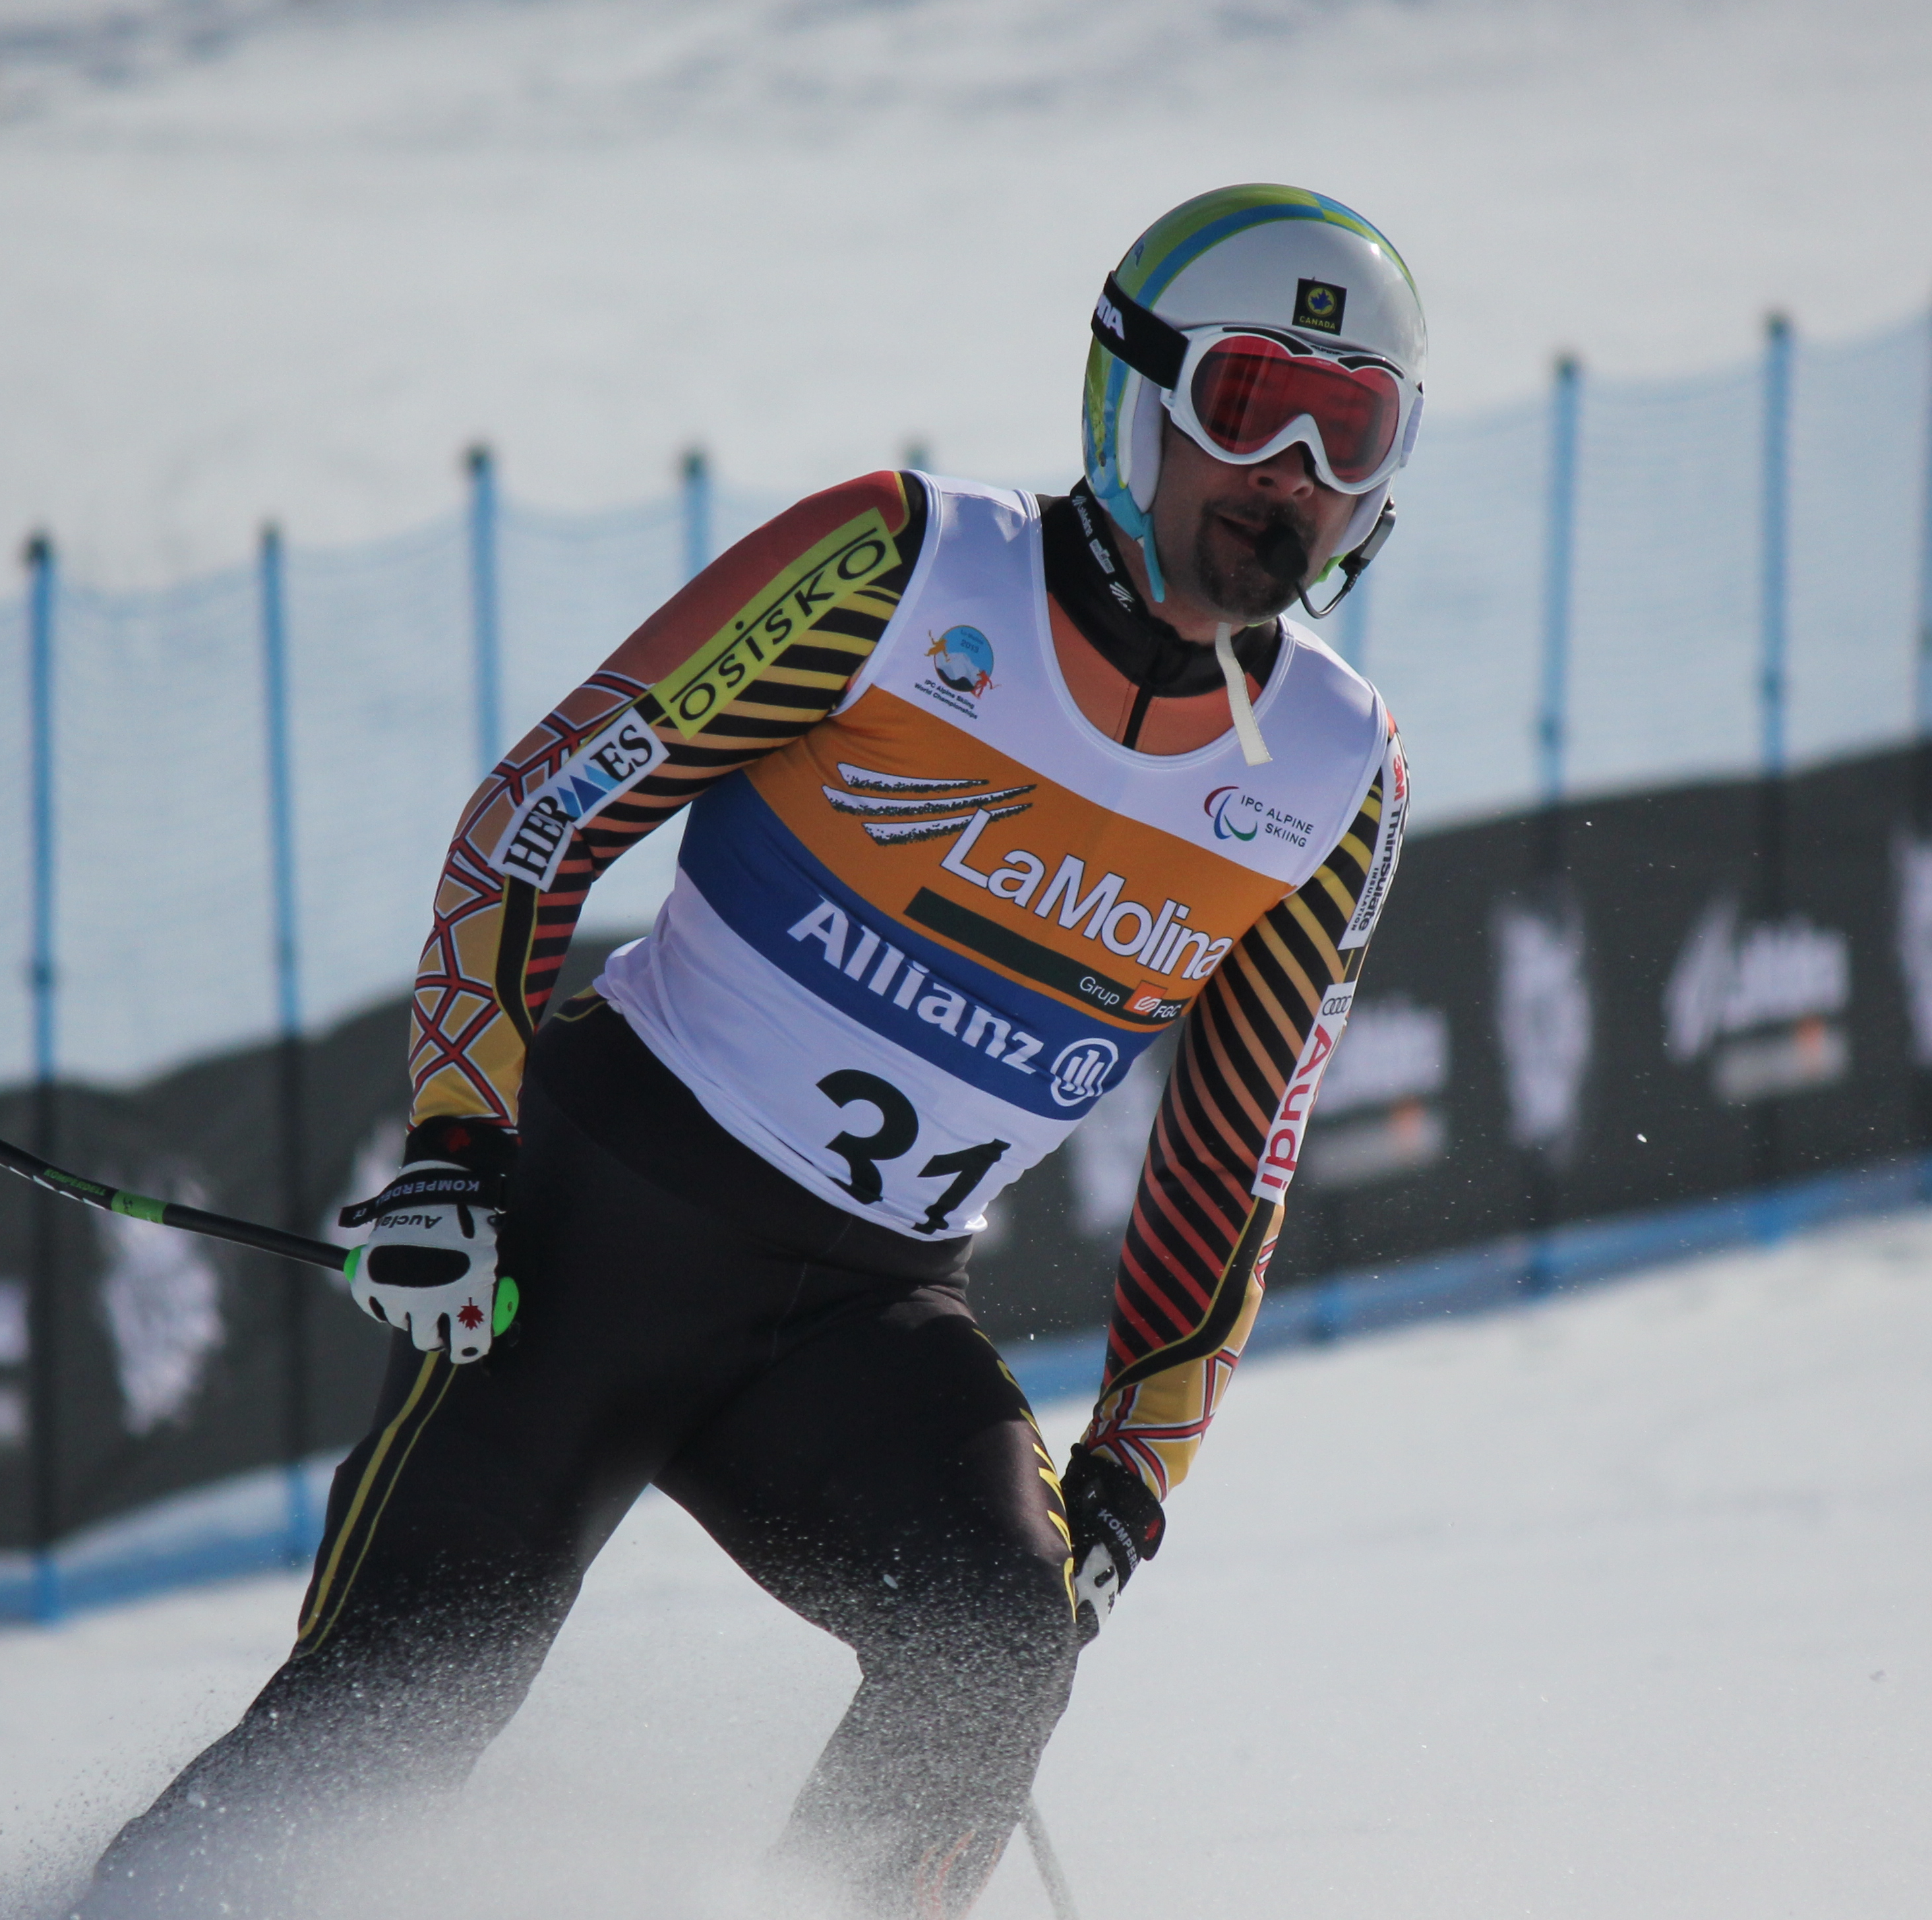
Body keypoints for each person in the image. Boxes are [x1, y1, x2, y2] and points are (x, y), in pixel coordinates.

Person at [81, 182, 1424, 1919]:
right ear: (1136, 397)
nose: (1291, 475)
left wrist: (1126, 1485)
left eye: (1351, 432)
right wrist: (455, 1155)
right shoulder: (898, 563)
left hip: (865, 1316)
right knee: (399, 1711)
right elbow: (535, 823)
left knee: (997, 1644)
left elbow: (1231, 1158)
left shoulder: (1334, 777)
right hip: (592, 1229)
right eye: (1250, 406)